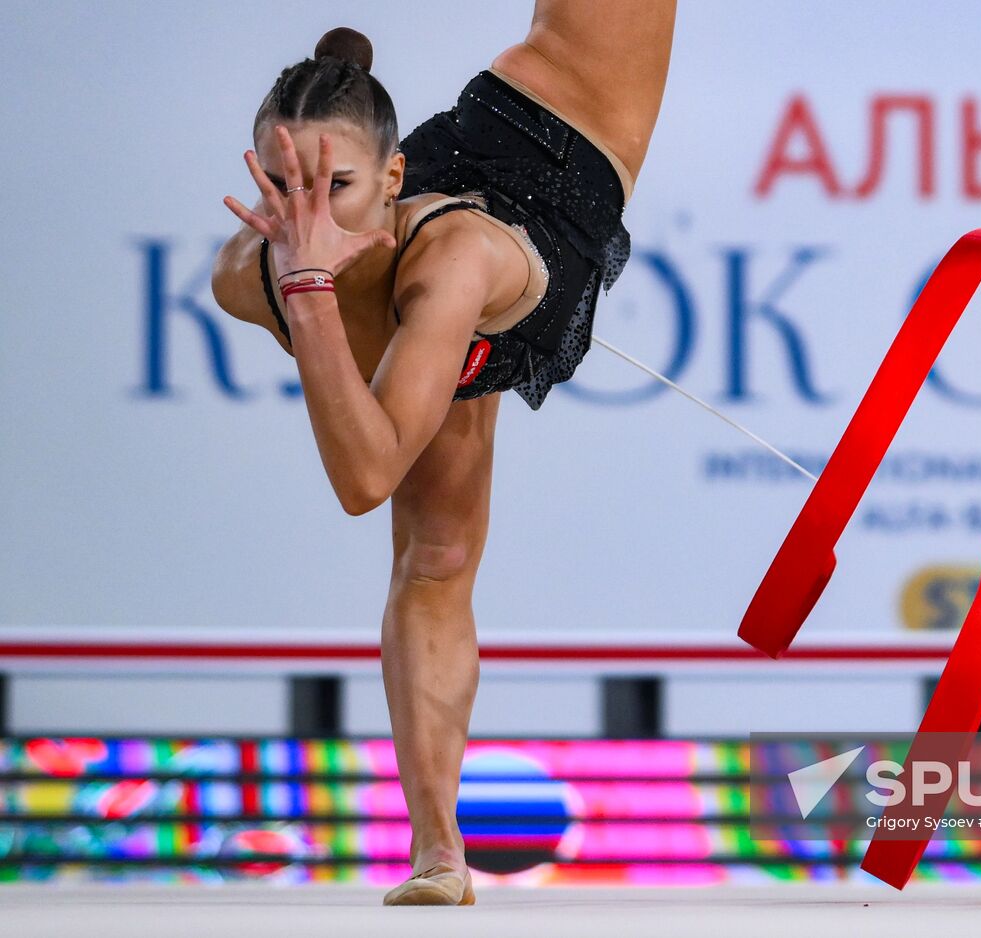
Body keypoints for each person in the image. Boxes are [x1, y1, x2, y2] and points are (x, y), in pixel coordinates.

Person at [210, 1, 677, 905]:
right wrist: (308, 285)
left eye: (334, 187)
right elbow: (367, 481)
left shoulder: (447, 258)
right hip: (419, 289)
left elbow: (364, 470)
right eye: (283, 188)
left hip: (552, 135)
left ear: (393, 176)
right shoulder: (250, 276)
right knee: (438, 555)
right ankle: (439, 853)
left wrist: (309, 289)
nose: (307, 218)